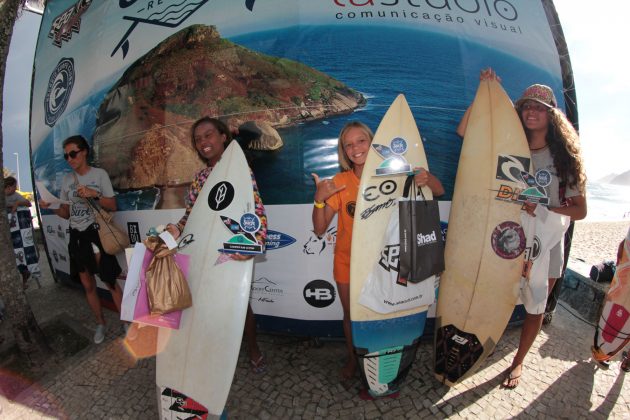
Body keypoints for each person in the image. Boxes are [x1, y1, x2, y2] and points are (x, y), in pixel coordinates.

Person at [458, 69, 587, 389]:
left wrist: (543, 209)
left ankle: (518, 362)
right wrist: (485, 91)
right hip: (507, 236)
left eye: (540, 107)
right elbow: (464, 132)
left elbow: (580, 211)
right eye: (527, 106)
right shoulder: (508, 144)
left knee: (536, 305)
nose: (531, 111)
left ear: (552, 116)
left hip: (547, 243)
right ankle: (483, 345)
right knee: (495, 294)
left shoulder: (565, 160)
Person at [311, 121, 444, 389]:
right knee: (350, 314)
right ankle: (353, 359)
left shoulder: (393, 174)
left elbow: (438, 191)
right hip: (347, 261)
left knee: (384, 311)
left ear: (373, 142)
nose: (355, 148)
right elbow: (319, 228)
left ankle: (385, 355)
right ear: (343, 151)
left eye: (361, 141)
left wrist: (426, 178)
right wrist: (319, 199)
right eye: (348, 144)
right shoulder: (339, 182)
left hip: (387, 262)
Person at [165, 117, 268, 373]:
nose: (203, 142)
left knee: (240, 303)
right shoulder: (199, 178)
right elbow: (191, 215)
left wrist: (256, 242)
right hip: (203, 249)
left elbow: (255, 210)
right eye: (198, 139)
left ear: (223, 136)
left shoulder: (239, 169)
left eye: (209, 135)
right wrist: (177, 228)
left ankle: (253, 348)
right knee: (206, 303)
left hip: (231, 247)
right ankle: (214, 352)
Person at [39, 135, 124, 344]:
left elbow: (112, 205)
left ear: (84, 151)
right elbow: (66, 213)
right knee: (87, 285)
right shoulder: (67, 180)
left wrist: (93, 194)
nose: (69, 159)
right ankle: (100, 323)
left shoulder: (99, 174)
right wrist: (50, 206)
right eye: (66, 156)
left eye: (73, 154)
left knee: (109, 280)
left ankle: (126, 321)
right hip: (76, 236)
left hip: (95, 233)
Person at [5, 176, 34, 288]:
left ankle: (23, 278)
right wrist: (12, 205)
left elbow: (29, 203)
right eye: (14, 186)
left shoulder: (15, 195)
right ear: (8, 187)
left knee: (19, 251)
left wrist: (17, 203)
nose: (16, 188)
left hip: (17, 230)